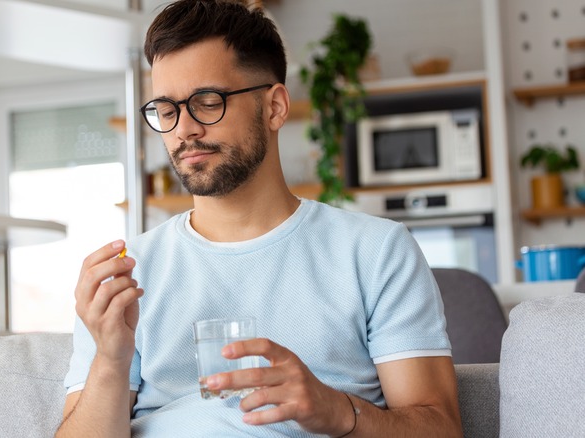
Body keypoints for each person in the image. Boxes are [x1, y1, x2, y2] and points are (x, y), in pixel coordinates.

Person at [56, 1, 462, 436]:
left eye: (207, 102)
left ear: (275, 108)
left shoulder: (375, 251)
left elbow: (441, 428)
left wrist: (338, 410)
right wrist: (111, 361)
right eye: (168, 110)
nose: (184, 130)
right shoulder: (127, 274)